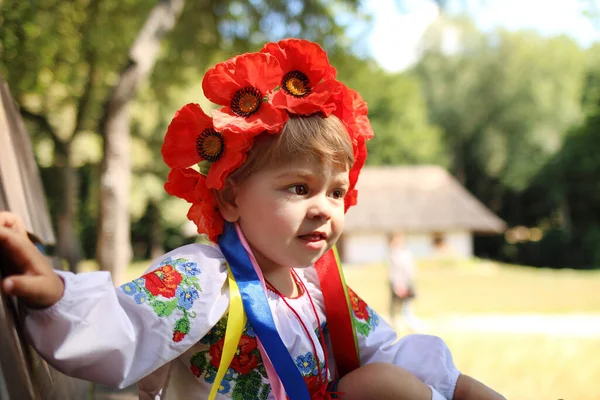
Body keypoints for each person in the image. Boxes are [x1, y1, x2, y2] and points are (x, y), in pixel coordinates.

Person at [0, 39, 505, 400]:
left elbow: (386, 350)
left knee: (388, 382)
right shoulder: (205, 277)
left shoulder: (319, 287)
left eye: (335, 192)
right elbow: (127, 329)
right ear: (230, 200)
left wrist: (462, 388)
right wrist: (56, 295)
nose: (325, 208)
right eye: (299, 188)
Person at [388, 232, 423, 333]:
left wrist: (405, 283)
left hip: (405, 283)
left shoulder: (405, 254)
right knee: (395, 306)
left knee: (406, 306)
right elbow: (393, 272)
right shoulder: (393, 254)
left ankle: (409, 324)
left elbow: (410, 270)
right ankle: (394, 324)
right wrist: (396, 284)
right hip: (397, 283)